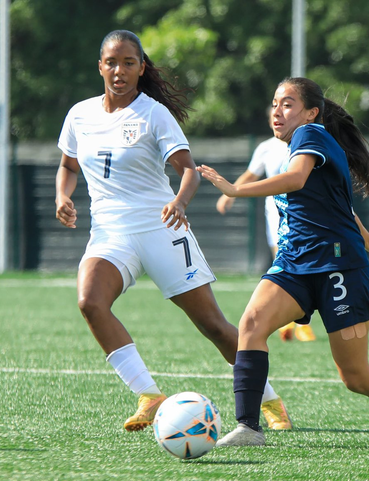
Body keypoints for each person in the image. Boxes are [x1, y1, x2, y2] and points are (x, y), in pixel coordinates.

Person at [54, 30, 292, 433]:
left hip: (161, 228)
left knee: (213, 325)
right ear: (100, 66)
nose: (119, 70)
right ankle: (148, 394)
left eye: (129, 63)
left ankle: (269, 400)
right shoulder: (80, 115)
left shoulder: (153, 114)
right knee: (89, 301)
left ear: (141, 67)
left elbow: (187, 170)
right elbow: (68, 166)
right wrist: (62, 196)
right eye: (112, 62)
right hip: (111, 234)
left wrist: (179, 202)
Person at [197, 77, 369, 447]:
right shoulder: (300, 144)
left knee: (356, 377)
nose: (278, 111)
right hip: (294, 263)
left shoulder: (312, 135)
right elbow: (336, 201)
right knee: (251, 323)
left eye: (288, 103)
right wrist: (368, 235)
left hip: (339, 270)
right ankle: (248, 427)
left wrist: (236, 189)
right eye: (275, 103)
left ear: (311, 113)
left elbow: (294, 180)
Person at [216, 110, 317, 343]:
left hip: (303, 215)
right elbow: (251, 174)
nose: (278, 114)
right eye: (274, 109)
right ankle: (292, 321)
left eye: (285, 107)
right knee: (283, 264)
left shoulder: (305, 144)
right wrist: (229, 194)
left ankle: (298, 321)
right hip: (276, 214)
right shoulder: (266, 147)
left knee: (303, 266)